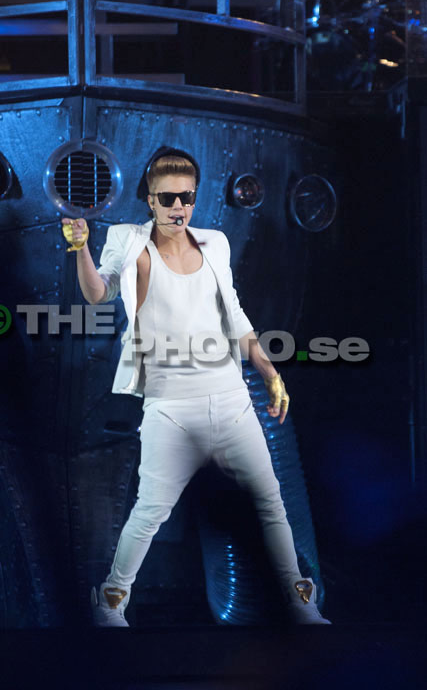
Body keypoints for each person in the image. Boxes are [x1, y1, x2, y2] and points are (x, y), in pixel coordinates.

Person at [61, 147, 331, 627]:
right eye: (167, 198)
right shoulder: (128, 240)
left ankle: (299, 601)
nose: (178, 207)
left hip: (231, 400)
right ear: (150, 199)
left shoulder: (215, 244)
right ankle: (111, 600)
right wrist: (80, 247)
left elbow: (236, 316)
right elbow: (98, 293)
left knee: (270, 502)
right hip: (170, 407)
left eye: (186, 197)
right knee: (151, 510)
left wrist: (271, 374)